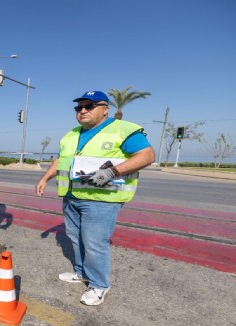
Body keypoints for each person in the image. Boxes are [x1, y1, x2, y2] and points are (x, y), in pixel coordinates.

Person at [35, 90, 155, 306]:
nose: (82, 111)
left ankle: (99, 285)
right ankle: (81, 272)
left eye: (89, 106)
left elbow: (146, 156)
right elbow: (61, 160)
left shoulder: (122, 130)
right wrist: (45, 178)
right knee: (75, 237)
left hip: (102, 199)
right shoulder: (71, 134)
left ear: (105, 109)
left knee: (94, 242)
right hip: (72, 196)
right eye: (78, 107)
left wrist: (112, 172)